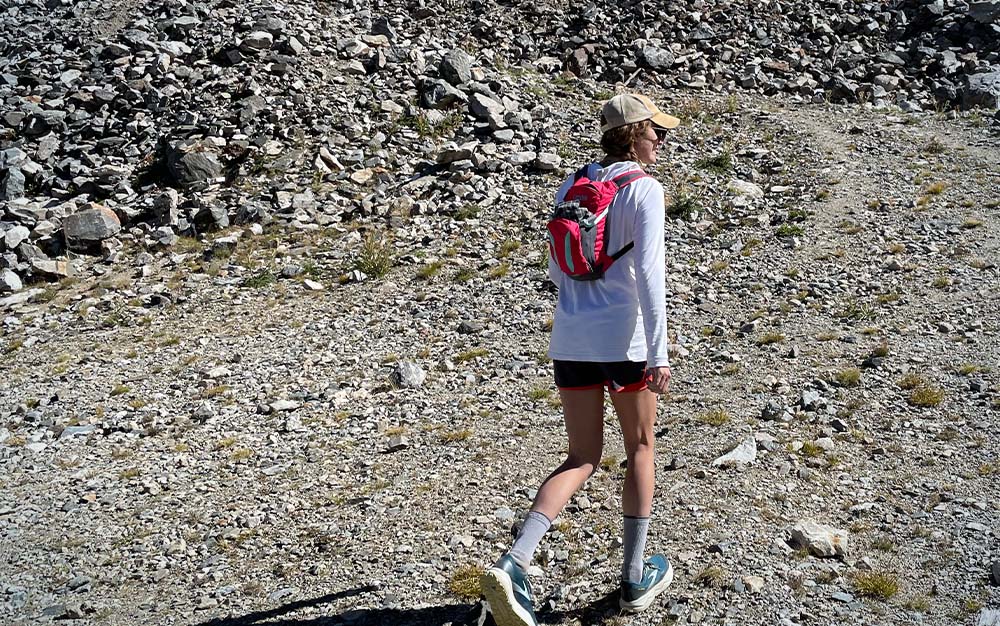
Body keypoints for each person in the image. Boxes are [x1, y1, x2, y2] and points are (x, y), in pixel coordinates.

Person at [479, 93, 679, 626]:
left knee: (582, 456)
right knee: (639, 446)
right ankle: (635, 577)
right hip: (626, 341)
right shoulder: (644, 190)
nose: (660, 139)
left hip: (571, 339)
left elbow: (556, 265)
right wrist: (658, 351)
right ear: (634, 134)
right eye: (654, 130)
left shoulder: (574, 184)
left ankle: (515, 561)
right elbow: (652, 276)